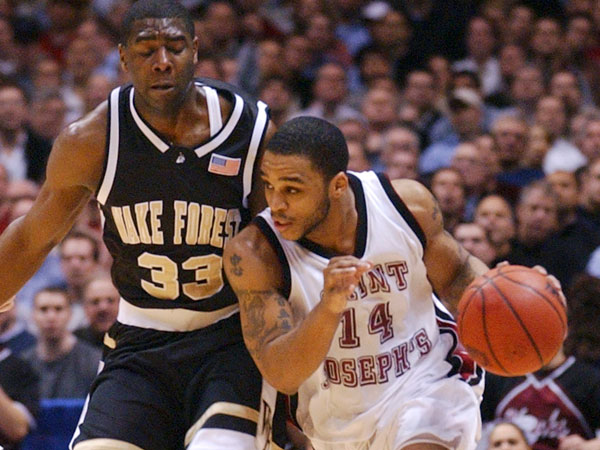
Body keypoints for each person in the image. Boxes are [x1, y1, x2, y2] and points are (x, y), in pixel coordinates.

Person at [0, 1, 278, 449]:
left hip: (232, 340)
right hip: (140, 342)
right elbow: (34, 236)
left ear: (195, 50)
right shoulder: (92, 140)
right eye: (147, 50)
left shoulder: (250, 127)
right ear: (124, 58)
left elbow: (286, 251)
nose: (162, 61)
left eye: (174, 47)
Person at [223, 116, 491, 449]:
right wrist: (329, 307)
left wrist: (502, 290)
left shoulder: (404, 205)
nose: (276, 203)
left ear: (337, 185)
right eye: (269, 185)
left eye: (292, 189)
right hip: (335, 423)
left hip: (427, 381)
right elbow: (282, 374)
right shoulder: (256, 253)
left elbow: (458, 276)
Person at [22, 286, 101, 399]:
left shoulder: (93, 362)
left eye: (58, 309)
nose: (51, 317)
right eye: (43, 309)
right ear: (32, 315)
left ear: (70, 314)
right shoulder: (23, 364)